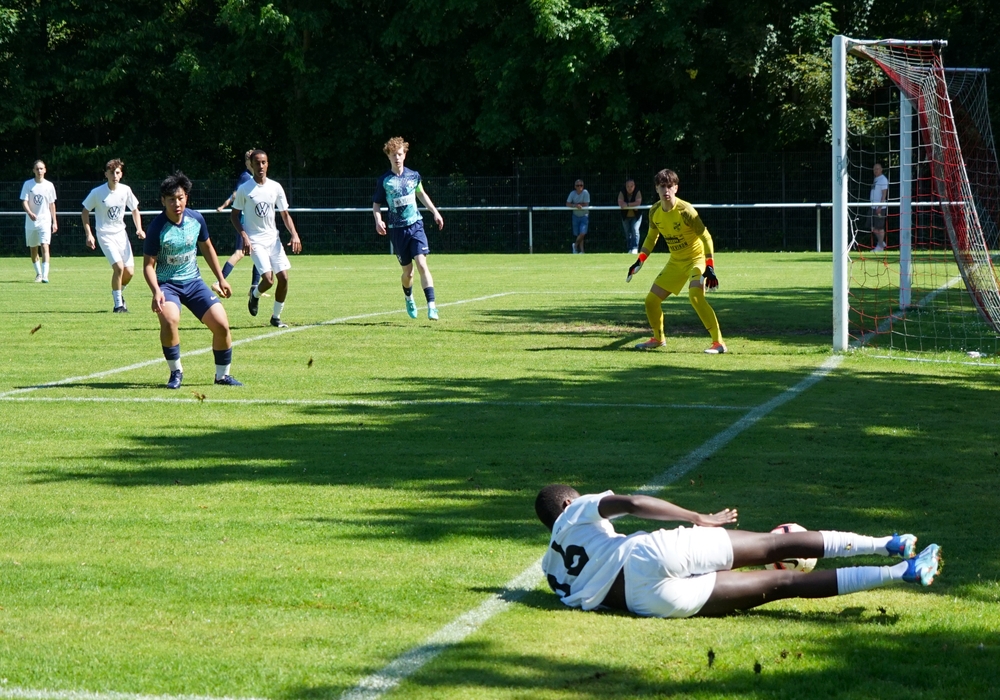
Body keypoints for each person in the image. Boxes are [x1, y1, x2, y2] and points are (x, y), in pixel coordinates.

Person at [536, 485, 942, 618]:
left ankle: (902, 573)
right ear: (567, 504)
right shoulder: (575, 511)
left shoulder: (549, 569)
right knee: (772, 544)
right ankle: (888, 545)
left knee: (785, 584)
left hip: (645, 601)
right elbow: (633, 503)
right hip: (647, 554)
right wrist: (697, 517)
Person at [143, 172, 242, 389]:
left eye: (180, 198)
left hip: (194, 283)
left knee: (222, 325)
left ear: (186, 197)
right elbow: (148, 266)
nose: (176, 203)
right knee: (169, 321)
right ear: (163, 201)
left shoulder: (196, 219)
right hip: (168, 285)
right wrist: (156, 291)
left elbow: (207, 248)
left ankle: (222, 376)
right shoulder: (157, 227)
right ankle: (176, 372)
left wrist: (221, 278)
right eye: (171, 199)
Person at [627, 169, 726, 354]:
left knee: (695, 296)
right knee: (651, 301)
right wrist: (640, 260)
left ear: (676, 188)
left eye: (669, 186)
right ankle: (658, 338)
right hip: (676, 262)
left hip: (696, 259)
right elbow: (651, 237)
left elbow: (706, 237)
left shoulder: (686, 211)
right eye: (662, 186)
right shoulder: (655, 211)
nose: (666, 190)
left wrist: (710, 267)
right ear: (656, 188)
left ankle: (718, 343)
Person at [373, 136, 445, 321]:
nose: (396, 158)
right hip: (398, 230)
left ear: (404, 154)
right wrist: (378, 220)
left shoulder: (414, 176)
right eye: (393, 155)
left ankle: (432, 306)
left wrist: (435, 212)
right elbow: (376, 204)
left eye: (399, 154)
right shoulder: (384, 181)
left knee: (422, 264)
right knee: (408, 272)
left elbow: (421, 194)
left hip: (416, 225)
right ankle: (408, 297)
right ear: (388, 157)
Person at [230, 149, 303, 328]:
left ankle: (276, 317)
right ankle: (254, 295)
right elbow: (234, 216)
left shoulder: (275, 187)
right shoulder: (244, 189)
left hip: (273, 240)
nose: (261, 166)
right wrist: (244, 236)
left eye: (264, 162)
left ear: (267, 164)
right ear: (251, 165)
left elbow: (285, 214)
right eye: (257, 163)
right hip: (255, 240)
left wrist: (294, 234)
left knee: (284, 278)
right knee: (269, 280)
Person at [82, 159, 145, 312]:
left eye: (117, 172)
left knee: (129, 272)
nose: (114, 176)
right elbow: (85, 212)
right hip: (105, 235)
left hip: (121, 234)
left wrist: (139, 228)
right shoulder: (97, 192)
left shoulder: (126, 190)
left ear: (121, 174)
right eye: (111, 173)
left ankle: (118, 294)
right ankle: (118, 306)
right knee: (119, 267)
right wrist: (89, 234)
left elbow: (135, 210)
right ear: (106, 174)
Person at [213, 149, 260, 295]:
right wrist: (224, 205)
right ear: (248, 163)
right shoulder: (246, 177)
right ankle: (219, 282)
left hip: (251, 221)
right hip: (244, 221)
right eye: (252, 161)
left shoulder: (253, 178)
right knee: (239, 253)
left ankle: (255, 288)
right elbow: (235, 194)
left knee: (259, 252)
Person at [19, 160, 58, 283]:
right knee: (33, 249)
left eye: (41, 168)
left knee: (45, 246)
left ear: (45, 170)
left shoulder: (49, 185)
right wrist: (30, 213)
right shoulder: (28, 184)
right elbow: (24, 201)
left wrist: (54, 222)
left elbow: (52, 204)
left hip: (45, 221)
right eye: (37, 169)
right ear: (33, 170)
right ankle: (39, 274)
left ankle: (45, 275)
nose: (39, 171)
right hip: (31, 222)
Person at [618, 178, 643, 254]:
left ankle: (635, 248)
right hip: (625, 216)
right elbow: (620, 203)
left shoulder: (637, 192)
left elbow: (638, 202)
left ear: (634, 186)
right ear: (625, 186)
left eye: (631, 186)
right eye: (628, 186)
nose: (629, 188)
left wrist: (628, 204)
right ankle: (629, 248)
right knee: (627, 232)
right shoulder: (622, 192)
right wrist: (632, 205)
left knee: (635, 230)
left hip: (636, 216)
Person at [566, 179, 590, 254]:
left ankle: (575, 245)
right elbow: (567, 203)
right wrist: (575, 205)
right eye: (578, 185)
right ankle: (582, 251)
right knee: (579, 234)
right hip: (575, 216)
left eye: (581, 185)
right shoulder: (572, 193)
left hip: (584, 216)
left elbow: (586, 204)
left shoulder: (585, 192)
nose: (579, 187)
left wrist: (579, 205)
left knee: (582, 233)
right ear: (575, 186)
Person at [870, 162, 889, 252]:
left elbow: (884, 194)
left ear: (881, 170)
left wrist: (880, 207)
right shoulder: (876, 179)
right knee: (872, 227)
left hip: (879, 208)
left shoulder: (883, 180)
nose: (876, 170)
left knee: (879, 227)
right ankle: (881, 242)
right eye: (874, 169)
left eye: (877, 169)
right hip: (872, 206)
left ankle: (880, 246)